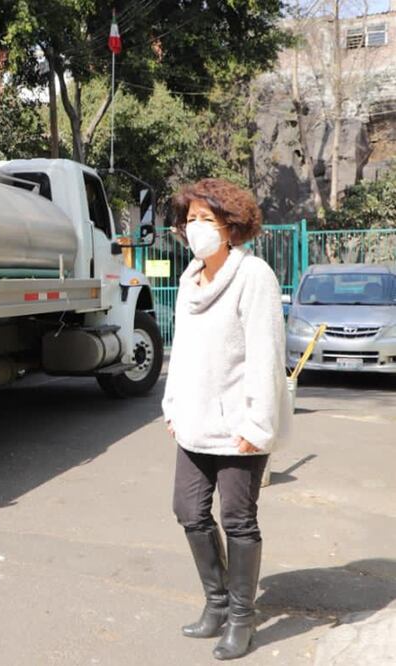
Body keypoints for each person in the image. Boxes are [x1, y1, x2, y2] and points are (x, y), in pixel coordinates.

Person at [161, 178, 291, 661]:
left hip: (238, 428)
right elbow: (186, 353)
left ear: (231, 227)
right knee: (188, 511)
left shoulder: (254, 276)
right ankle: (216, 605)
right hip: (192, 423)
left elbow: (264, 355)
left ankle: (241, 618)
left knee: (238, 520)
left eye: (206, 220)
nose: (195, 228)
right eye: (190, 219)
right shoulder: (189, 278)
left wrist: (258, 426)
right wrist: (172, 406)